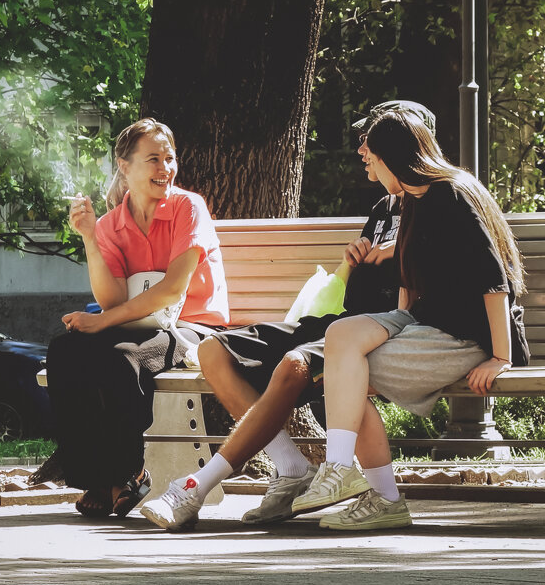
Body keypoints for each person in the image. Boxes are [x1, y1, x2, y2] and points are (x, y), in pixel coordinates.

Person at [141, 101, 436, 531]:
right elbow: (360, 285)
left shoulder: (430, 205)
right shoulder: (383, 210)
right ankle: (291, 467)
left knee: (294, 364)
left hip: (373, 334)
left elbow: (427, 286)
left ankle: (194, 487)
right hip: (337, 322)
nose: (361, 149)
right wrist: (356, 260)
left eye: (369, 140)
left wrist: (394, 258)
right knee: (212, 352)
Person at [289, 107, 525, 531]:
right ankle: (342, 472)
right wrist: (393, 320)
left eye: (373, 162)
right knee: (340, 337)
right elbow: (411, 278)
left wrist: (500, 357)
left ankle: (380, 495)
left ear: (394, 160)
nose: (371, 171)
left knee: (344, 377)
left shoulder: (451, 194)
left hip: (466, 335)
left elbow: (496, 280)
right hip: (424, 320)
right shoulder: (415, 197)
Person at [49, 118, 229, 518]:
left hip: (193, 326)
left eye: (169, 158)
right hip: (138, 324)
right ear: (125, 166)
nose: (165, 168)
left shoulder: (188, 207)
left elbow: (172, 291)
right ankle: (93, 475)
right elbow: (112, 299)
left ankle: (129, 471)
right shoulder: (113, 224)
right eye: (153, 159)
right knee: (64, 351)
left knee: (121, 356)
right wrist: (91, 241)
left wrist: (100, 322)